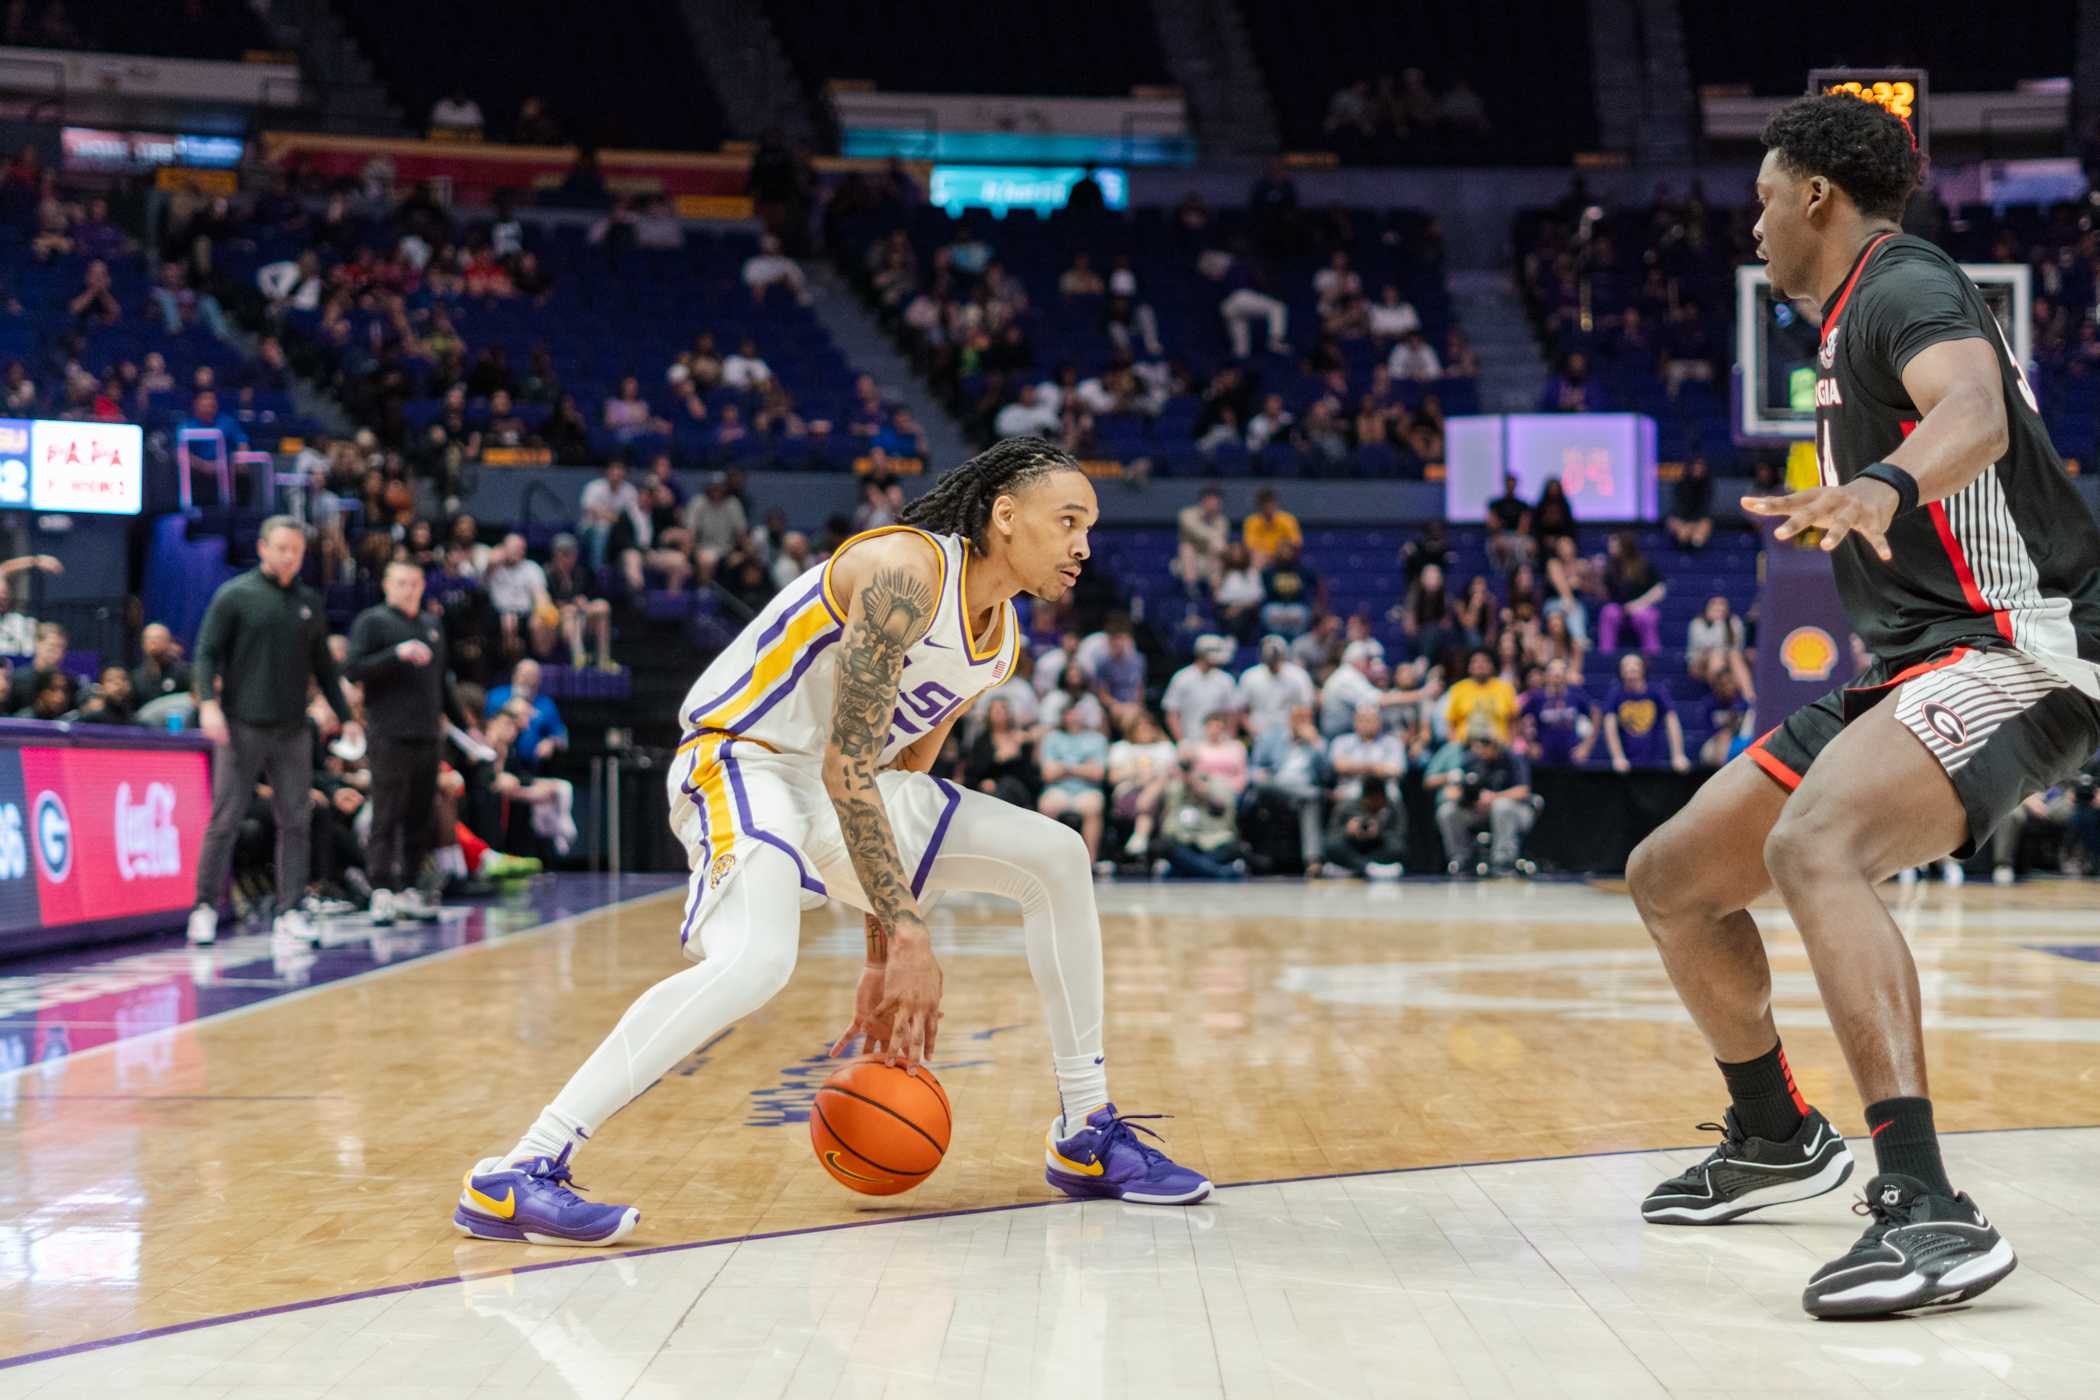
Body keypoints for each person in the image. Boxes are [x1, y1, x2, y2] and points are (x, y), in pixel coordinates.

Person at [456, 438, 1209, 1247]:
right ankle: (521, 1169)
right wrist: (910, 935)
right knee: (757, 961)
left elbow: (889, 790)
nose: (1083, 547)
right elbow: (850, 767)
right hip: (744, 758)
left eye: (1087, 528)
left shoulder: (997, 646)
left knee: (1057, 855)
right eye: (1068, 521)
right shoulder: (905, 573)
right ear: (1004, 516)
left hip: (834, 790)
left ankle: (1085, 1130)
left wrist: (882, 957)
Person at [1629, 95, 2100, 1316]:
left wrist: (1886, 482)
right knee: (1673, 875)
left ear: (1819, 197)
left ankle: (1928, 1205)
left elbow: (1977, 412)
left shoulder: (1903, 283)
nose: (1754, 222)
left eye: (1764, 196)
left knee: (1817, 845)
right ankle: (1775, 1130)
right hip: (1914, 662)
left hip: (2024, 644)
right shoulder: (1844, 324)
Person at [188, 517, 358, 947]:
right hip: (241, 725)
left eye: (296, 551)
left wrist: (347, 716)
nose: (289, 557)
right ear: (263, 548)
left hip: (292, 729)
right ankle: (204, 907)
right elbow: (206, 654)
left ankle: (289, 910)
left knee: (296, 820)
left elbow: (324, 666)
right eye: (281, 548)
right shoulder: (235, 596)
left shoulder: (308, 602)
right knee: (225, 818)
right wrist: (208, 704)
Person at [347, 560, 476, 926]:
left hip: (426, 733)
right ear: (387, 585)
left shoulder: (432, 625)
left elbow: (442, 683)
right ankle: (381, 889)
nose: (409, 589)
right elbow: (353, 668)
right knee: (386, 811)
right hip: (388, 733)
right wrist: (395, 654)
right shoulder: (373, 622)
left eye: (415, 582)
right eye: (401, 582)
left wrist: (467, 727)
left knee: (420, 813)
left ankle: (408, 887)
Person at [1434, 724, 1535, 876]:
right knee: (1447, 811)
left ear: (1495, 745)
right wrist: (1464, 796)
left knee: (1501, 806)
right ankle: (1461, 859)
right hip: (1480, 812)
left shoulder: (1512, 759)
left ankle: (1503, 862)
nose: (1481, 749)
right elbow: (1455, 788)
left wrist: (1494, 797)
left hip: (1517, 812)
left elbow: (1523, 790)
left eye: (1486, 744)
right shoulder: (1471, 760)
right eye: (1478, 744)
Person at [1246, 705, 1330, 874]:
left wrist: (1316, 743)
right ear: (1289, 720)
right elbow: (1254, 767)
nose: (1301, 723)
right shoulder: (1273, 737)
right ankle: (1313, 860)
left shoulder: (1319, 743)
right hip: (1275, 787)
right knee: (1311, 795)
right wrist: (1260, 774)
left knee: (1310, 800)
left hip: (1302, 792)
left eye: (1305, 719)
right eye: (1298, 718)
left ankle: (1312, 861)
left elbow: (1327, 776)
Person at [1037, 703, 1109, 863]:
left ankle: (1090, 862)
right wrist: (1083, 767)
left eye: (1077, 713)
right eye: (1070, 714)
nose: (1074, 717)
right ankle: (1049, 859)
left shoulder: (1097, 739)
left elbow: (1098, 773)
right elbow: (1048, 774)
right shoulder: (1052, 737)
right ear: (1063, 716)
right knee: (1047, 806)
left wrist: (1064, 767)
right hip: (1058, 789)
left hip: (1087, 790)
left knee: (1093, 807)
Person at [1602, 653, 1689, 772]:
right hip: (1626, 763)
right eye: (1626, 665)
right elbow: (1609, 725)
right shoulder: (1615, 694)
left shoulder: (1657, 691)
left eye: (1636, 664)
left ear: (1643, 668)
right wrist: (1618, 757)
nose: (1631, 668)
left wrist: (1678, 755)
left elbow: (1671, 720)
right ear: (1620, 671)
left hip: (1655, 761)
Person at [1519, 658, 1598, 767]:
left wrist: (1586, 746)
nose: (1557, 675)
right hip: (1544, 759)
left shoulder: (1575, 695)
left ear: (1566, 675)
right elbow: (1518, 718)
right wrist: (1530, 744)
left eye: (1561, 671)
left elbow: (1596, 713)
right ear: (1546, 675)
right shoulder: (1537, 697)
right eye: (1553, 671)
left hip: (1571, 758)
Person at [1160, 634, 1239, 742]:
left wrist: (1230, 739)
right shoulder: (1182, 677)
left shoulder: (1226, 679)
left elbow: (1231, 713)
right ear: (1201, 654)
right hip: (1190, 739)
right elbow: (1171, 713)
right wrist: (1181, 741)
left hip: (1219, 741)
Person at [1237, 634, 1315, 742]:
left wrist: (1297, 731)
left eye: (1275, 657)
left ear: (1283, 655)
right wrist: (1253, 730)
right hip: (1258, 733)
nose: (1273, 662)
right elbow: (1241, 711)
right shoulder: (1250, 676)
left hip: (1290, 734)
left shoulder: (1298, 675)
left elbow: (1306, 708)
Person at [1321, 780, 1405, 879]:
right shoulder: (1346, 806)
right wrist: (1347, 831)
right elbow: (1331, 834)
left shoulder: (1392, 807)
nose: (1377, 802)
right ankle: (1368, 869)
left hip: (1377, 849)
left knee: (1398, 847)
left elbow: (1400, 834)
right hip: (1352, 847)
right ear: (1365, 797)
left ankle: (1354, 869)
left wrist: (1379, 832)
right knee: (1331, 845)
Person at [1443, 646, 1520, 745]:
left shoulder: (1506, 689)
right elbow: (1451, 725)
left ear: (1492, 665)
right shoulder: (1458, 689)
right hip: (1465, 747)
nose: (1480, 665)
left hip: (1498, 747)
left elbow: (1513, 721)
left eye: (1485, 661)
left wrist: (1509, 744)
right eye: (1475, 661)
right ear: (1469, 666)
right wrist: (1456, 743)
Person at [1176, 486, 1230, 594]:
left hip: (1210, 561)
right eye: (1214, 500)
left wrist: (1214, 541)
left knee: (1220, 551)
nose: (1217, 504)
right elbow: (1195, 531)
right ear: (1205, 500)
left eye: (1218, 501)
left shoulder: (1222, 521)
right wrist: (1213, 537)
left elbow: (1220, 545)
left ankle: (1217, 594)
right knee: (1187, 547)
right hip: (1186, 563)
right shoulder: (1187, 514)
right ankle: (1191, 589)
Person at [1241, 487, 1301, 568]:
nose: (1269, 507)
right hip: (1261, 558)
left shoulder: (1288, 519)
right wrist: (1267, 556)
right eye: (1265, 503)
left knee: (1285, 551)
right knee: (1256, 558)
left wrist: (1278, 553)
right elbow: (1250, 547)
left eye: (1271, 502)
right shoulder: (1251, 521)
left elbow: (1295, 543)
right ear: (1259, 505)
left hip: (1282, 556)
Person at [1667, 455, 1716, 550]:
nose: (1698, 469)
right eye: (1696, 466)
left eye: (1700, 466)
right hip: (1681, 519)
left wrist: (1693, 525)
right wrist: (1685, 525)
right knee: (1677, 527)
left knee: (1703, 527)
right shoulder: (1680, 484)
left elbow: (1705, 508)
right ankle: (1683, 542)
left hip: (1698, 521)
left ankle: (1696, 544)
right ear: (1690, 467)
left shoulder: (1708, 486)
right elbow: (1678, 507)